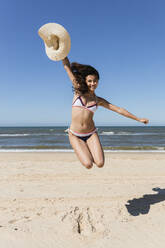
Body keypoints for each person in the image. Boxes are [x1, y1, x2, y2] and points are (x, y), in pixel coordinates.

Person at [62, 57, 149, 169]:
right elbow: (67, 68)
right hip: (75, 134)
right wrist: (62, 52)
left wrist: (138, 119)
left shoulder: (98, 100)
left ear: (98, 82)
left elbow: (118, 109)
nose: (92, 83)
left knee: (100, 163)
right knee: (88, 164)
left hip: (91, 133)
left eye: (95, 81)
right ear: (85, 81)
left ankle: (87, 147)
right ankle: (81, 147)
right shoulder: (78, 91)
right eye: (89, 81)